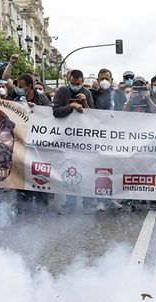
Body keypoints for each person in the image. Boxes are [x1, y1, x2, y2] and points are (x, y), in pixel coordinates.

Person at [53, 69, 96, 214]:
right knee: (70, 171)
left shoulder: (87, 92)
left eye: (78, 83)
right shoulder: (62, 92)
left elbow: (94, 116)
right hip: (68, 139)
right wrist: (71, 106)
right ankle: (70, 205)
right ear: (68, 80)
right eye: (73, 83)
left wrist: (84, 102)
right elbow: (56, 112)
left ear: (82, 82)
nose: (75, 86)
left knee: (87, 171)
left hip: (85, 140)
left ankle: (88, 204)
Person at [11, 74, 52, 213]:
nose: (18, 89)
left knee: (40, 172)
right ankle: (22, 205)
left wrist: (37, 110)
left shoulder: (42, 99)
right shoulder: (16, 98)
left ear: (29, 87)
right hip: (21, 142)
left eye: (21, 87)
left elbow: (50, 116)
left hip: (38, 144)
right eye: (17, 86)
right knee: (22, 172)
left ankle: (42, 205)